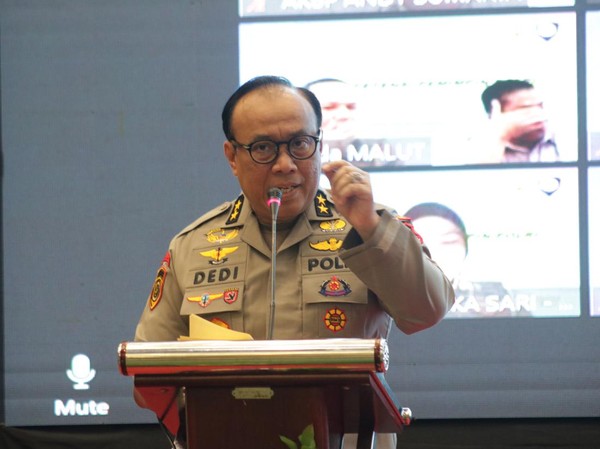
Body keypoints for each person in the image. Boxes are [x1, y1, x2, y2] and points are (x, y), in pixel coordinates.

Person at [134, 75, 455, 448]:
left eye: (300, 144)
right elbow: (148, 376)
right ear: (232, 157)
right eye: (264, 148)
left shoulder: (367, 224)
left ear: (320, 145)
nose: (285, 164)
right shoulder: (193, 245)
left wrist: (370, 227)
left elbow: (427, 311)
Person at [477, 79, 558, 163]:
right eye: (526, 108)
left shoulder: (561, 136)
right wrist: (500, 138)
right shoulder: (477, 147)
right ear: (495, 115)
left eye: (540, 106)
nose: (538, 113)